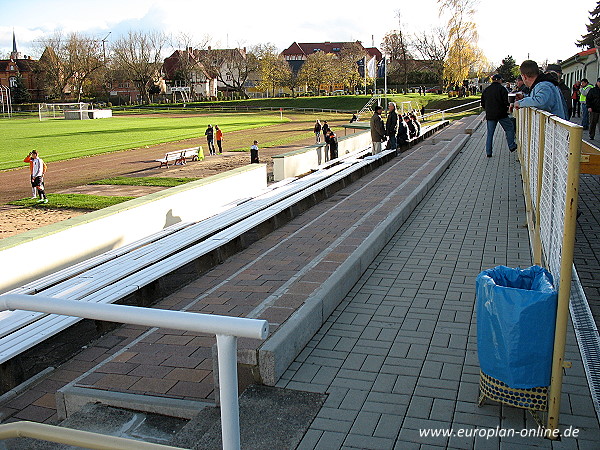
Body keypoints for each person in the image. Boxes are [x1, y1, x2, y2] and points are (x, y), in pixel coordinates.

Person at [481, 73, 517, 157]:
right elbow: (506, 102)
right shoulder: (502, 89)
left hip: (490, 115)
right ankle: (511, 145)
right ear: (499, 80)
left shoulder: (486, 90)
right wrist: (506, 108)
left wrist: (488, 109)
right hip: (501, 114)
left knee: (490, 134)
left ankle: (488, 152)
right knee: (509, 128)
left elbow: (482, 103)